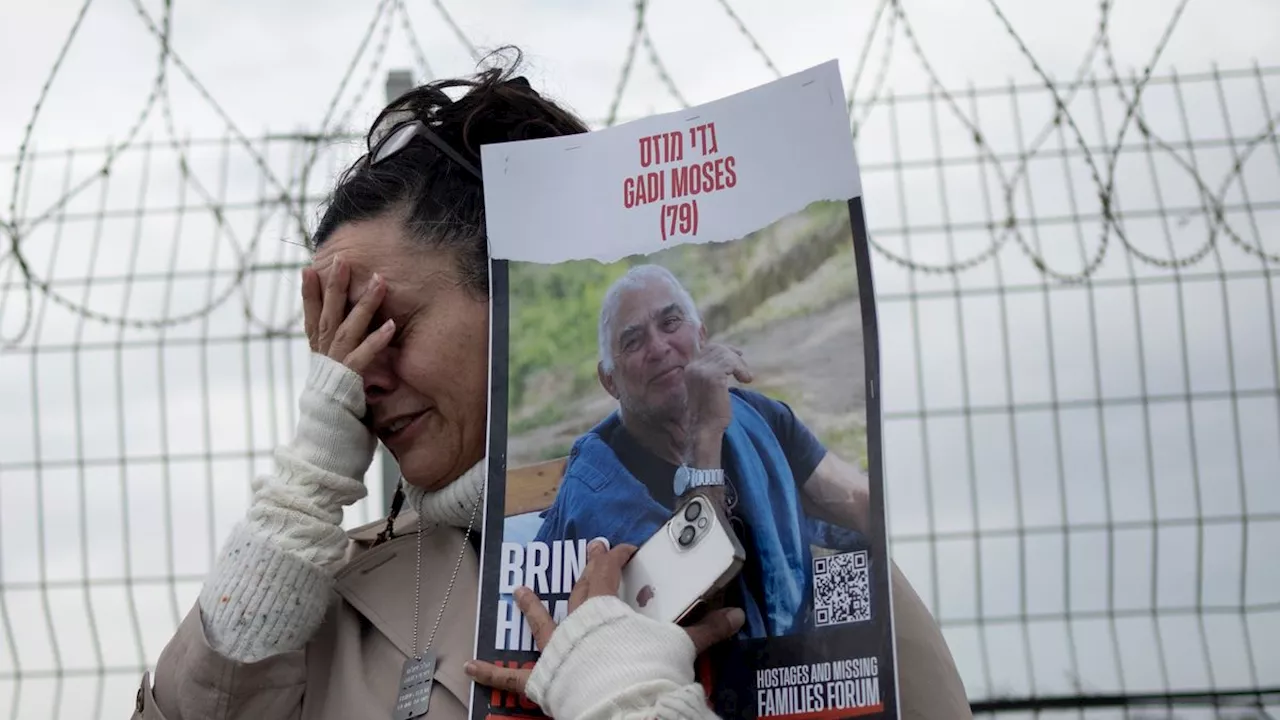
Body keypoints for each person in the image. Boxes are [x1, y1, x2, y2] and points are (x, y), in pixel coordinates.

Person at [131, 51, 972, 720]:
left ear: (511, 299)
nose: (358, 377)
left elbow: (844, 505)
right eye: (336, 346)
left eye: (391, 325)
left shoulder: (803, 530)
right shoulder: (331, 605)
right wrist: (296, 497)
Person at [533, 264, 873, 640]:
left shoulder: (757, 416)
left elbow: (856, 501)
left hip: (795, 655)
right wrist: (705, 435)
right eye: (633, 341)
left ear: (702, 335)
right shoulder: (599, 493)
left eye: (671, 322)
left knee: (882, 587)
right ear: (609, 380)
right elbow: (705, 610)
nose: (659, 347)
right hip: (694, 684)